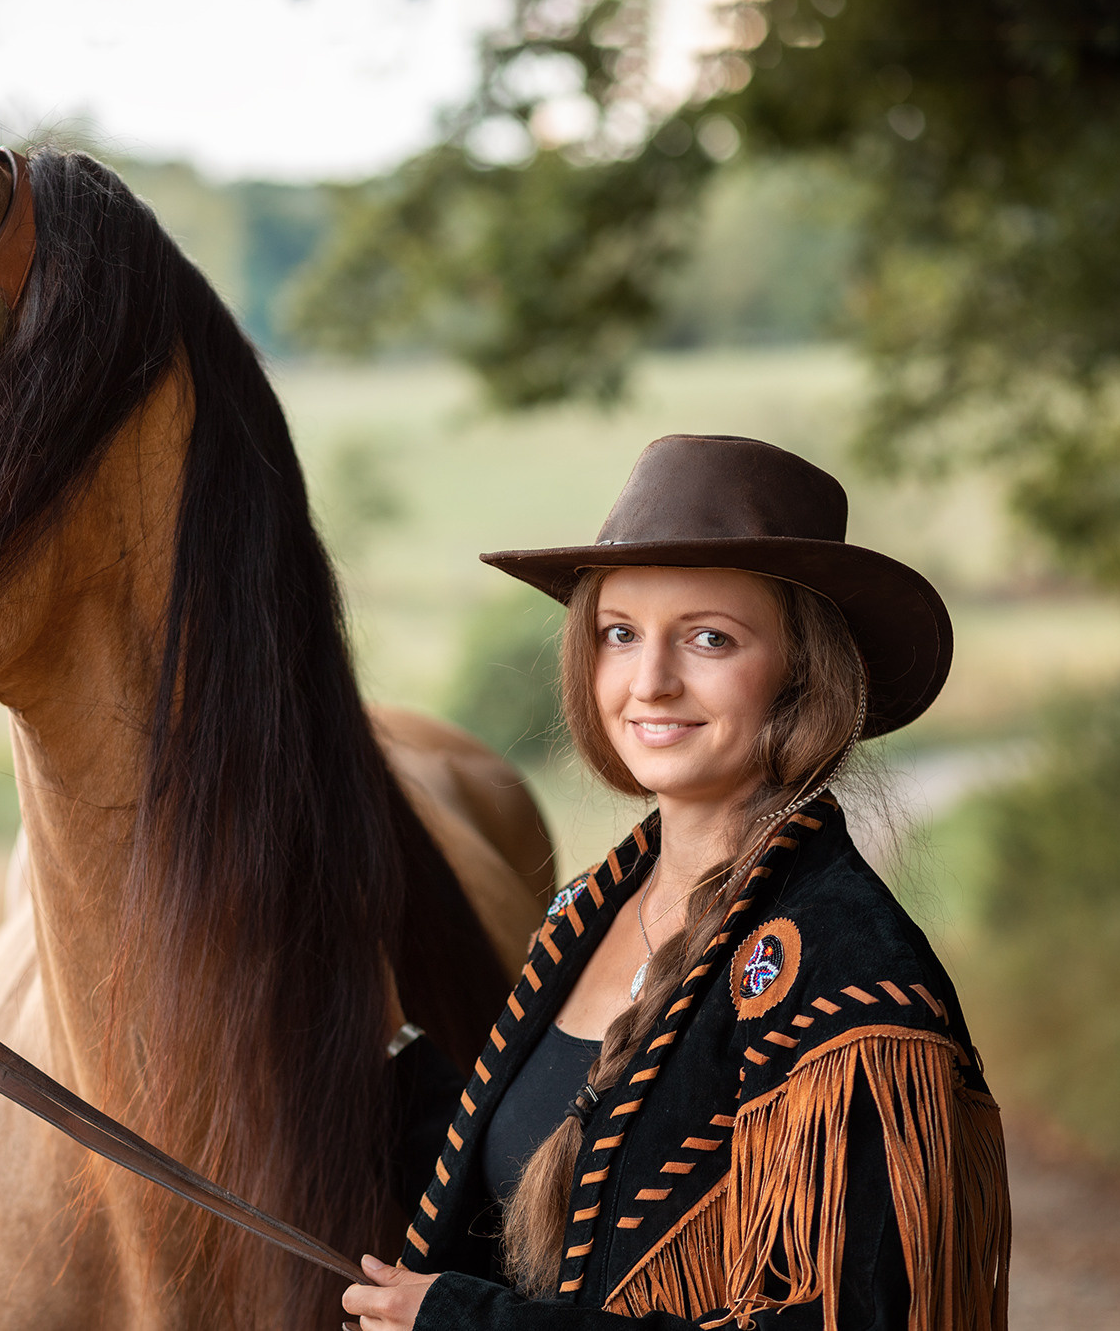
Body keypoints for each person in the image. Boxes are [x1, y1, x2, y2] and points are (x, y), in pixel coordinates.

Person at [346, 435, 1009, 1330]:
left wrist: (471, 1323)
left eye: (708, 637)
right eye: (621, 633)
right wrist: (374, 1066)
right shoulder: (588, 910)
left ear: (804, 672)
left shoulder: (853, 977)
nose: (650, 681)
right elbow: (544, 1210)